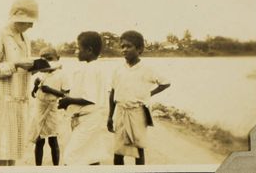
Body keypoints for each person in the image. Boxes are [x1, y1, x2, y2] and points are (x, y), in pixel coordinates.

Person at [0, 0, 38, 166]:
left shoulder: (25, 38)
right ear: (18, 18)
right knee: (1, 147)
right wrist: (16, 64)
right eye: (28, 22)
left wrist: (34, 67)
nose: (31, 26)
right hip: (3, 102)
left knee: (13, 148)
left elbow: (23, 67)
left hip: (19, 101)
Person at [107, 30, 171, 165]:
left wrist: (149, 94)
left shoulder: (147, 69)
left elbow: (165, 83)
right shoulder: (118, 70)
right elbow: (112, 93)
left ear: (139, 49)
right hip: (120, 112)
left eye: (128, 46)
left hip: (137, 113)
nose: (124, 50)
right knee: (118, 152)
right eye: (122, 46)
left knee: (138, 150)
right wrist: (109, 116)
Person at [58, 31, 109, 165]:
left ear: (89, 50)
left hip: (89, 119)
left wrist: (68, 101)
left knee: (70, 157)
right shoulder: (92, 67)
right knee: (91, 156)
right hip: (91, 118)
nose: (76, 51)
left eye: (79, 48)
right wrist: (68, 102)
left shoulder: (92, 69)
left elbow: (89, 98)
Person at [28, 47, 69, 166]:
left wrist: (50, 90)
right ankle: (38, 167)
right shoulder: (41, 73)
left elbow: (66, 95)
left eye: (50, 58)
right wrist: (35, 87)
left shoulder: (62, 75)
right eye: (43, 59)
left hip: (53, 109)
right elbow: (34, 93)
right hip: (40, 108)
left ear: (58, 58)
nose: (47, 61)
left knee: (52, 140)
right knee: (39, 140)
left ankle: (56, 167)